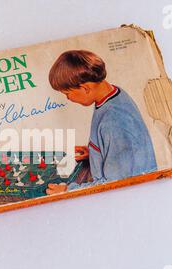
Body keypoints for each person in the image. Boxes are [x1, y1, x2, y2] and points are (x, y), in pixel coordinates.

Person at [46, 50, 157, 195]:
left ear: (85, 88)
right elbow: (116, 150)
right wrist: (94, 152)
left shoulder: (114, 120)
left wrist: (68, 191)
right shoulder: (113, 94)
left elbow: (115, 184)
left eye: (67, 93)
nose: (68, 98)